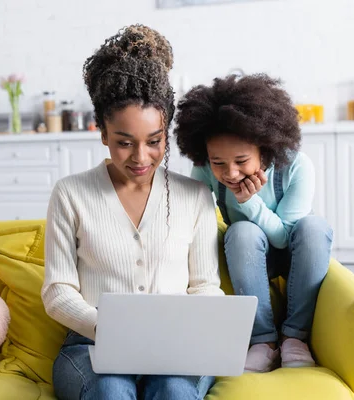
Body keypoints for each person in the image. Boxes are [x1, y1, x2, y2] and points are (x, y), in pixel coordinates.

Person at [41, 24, 224, 400]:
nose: (141, 158)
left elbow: (206, 286)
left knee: (173, 390)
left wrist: (185, 333)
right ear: (103, 133)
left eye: (154, 142)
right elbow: (58, 292)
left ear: (166, 133)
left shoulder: (195, 196)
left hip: (175, 349)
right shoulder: (71, 193)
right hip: (89, 345)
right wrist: (112, 329)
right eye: (124, 143)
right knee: (110, 390)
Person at [173, 73, 333, 373]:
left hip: (294, 256)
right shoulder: (205, 170)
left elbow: (284, 239)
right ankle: (263, 341)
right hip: (244, 255)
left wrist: (250, 202)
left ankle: (294, 338)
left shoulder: (297, 166)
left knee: (315, 227)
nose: (230, 173)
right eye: (217, 162)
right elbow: (192, 216)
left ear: (265, 148)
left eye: (241, 161)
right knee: (243, 231)